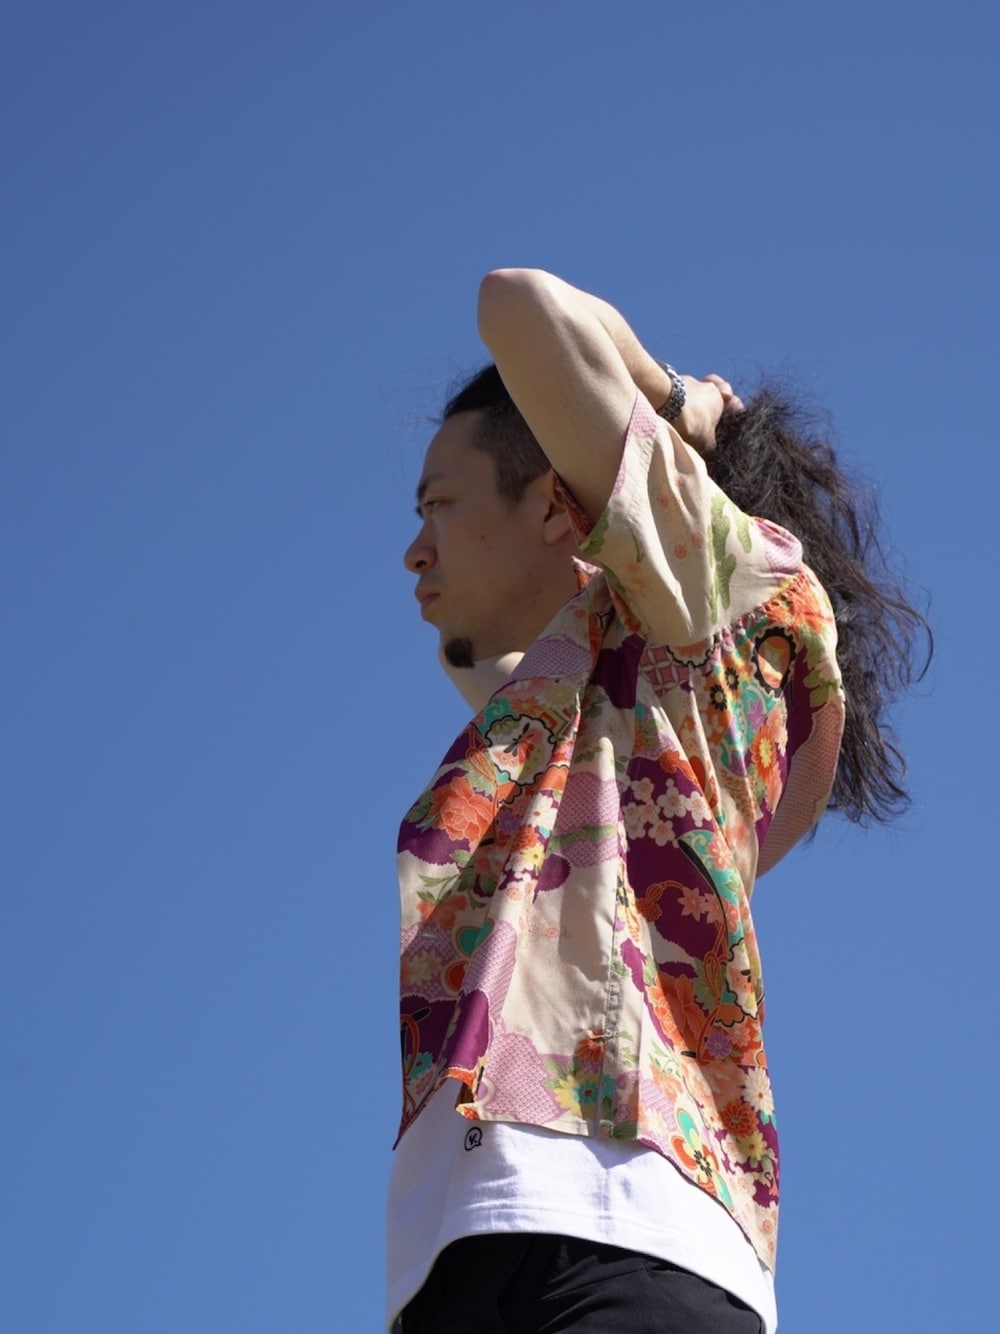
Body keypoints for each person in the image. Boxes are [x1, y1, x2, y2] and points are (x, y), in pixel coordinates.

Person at [387, 269, 927, 1333]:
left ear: (557, 503)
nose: (414, 547)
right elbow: (467, 649)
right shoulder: (575, 703)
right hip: (458, 1257)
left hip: (629, 1229)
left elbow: (518, 304)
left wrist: (686, 406)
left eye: (439, 504)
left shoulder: (717, 599)